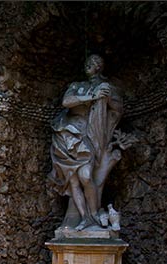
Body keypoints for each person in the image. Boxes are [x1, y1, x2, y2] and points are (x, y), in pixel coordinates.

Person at [48, 54, 124, 231]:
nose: (87, 66)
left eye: (92, 63)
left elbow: (118, 109)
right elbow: (67, 102)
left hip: (87, 137)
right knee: (73, 181)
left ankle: (94, 215)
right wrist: (92, 96)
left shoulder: (107, 87)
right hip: (67, 135)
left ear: (99, 67)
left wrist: (106, 99)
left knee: (85, 176)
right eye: (86, 63)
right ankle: (84, 219)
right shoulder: (77, 86)